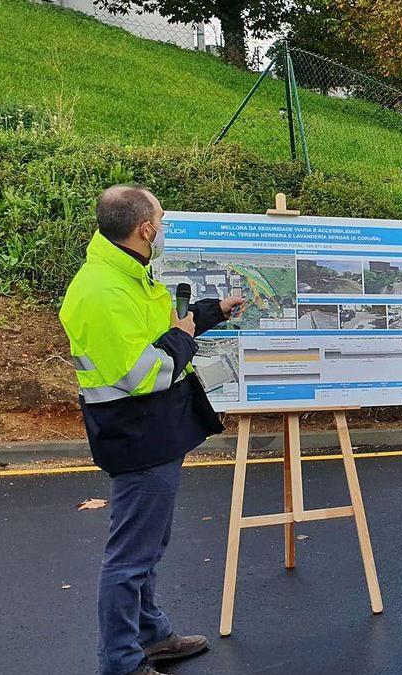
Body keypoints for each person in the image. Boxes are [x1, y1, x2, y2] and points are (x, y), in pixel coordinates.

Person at [59, 185, 244, 675]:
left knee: (148, 546)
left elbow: (161, 332)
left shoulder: (126, 274)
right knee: (130, 557)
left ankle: (150, 635)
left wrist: (209, 313)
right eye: (159, 220)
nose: (161, 229)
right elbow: (145, 373)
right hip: (137, 434)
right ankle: (121, 661)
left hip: (156, 431)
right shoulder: (101, 290)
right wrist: (184, 338)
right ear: (145, 229)